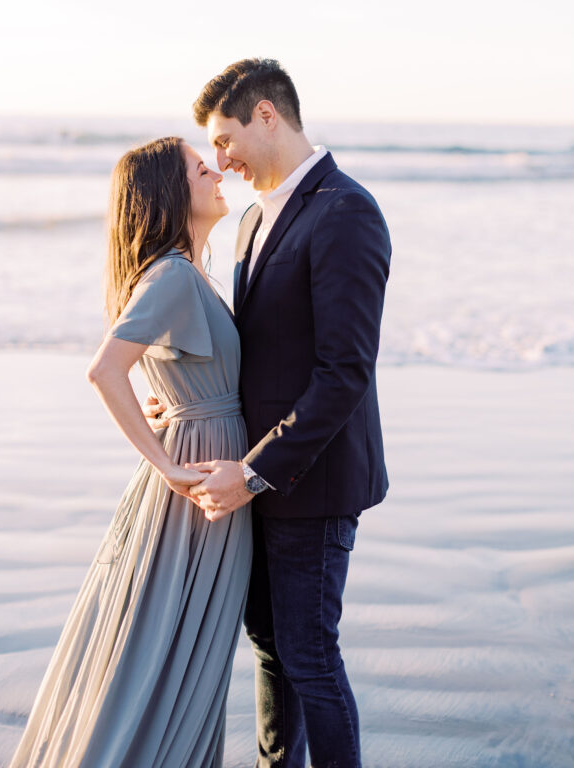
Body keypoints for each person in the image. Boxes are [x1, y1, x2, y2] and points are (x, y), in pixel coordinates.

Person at [7, 136, 252, 768]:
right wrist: (165, 463)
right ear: (175, 193)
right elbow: (105, 370)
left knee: (179, 644)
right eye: (203, 169)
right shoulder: (172, 273)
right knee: (167, 645)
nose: (218, 171)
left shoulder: (188, 271)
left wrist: (167, 397)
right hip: (196, 483)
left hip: (206, 463)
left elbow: (160, 365)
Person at [183, 58, 391, 768]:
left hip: (313, 480)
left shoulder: (345, 211)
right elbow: (255, 352)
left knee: (308, 654)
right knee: (270, 646)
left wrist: (255, 472)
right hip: (260, 475)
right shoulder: (248, 222)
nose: (220, 160)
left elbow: (344, 374)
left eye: (224, 138)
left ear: (266, 115)